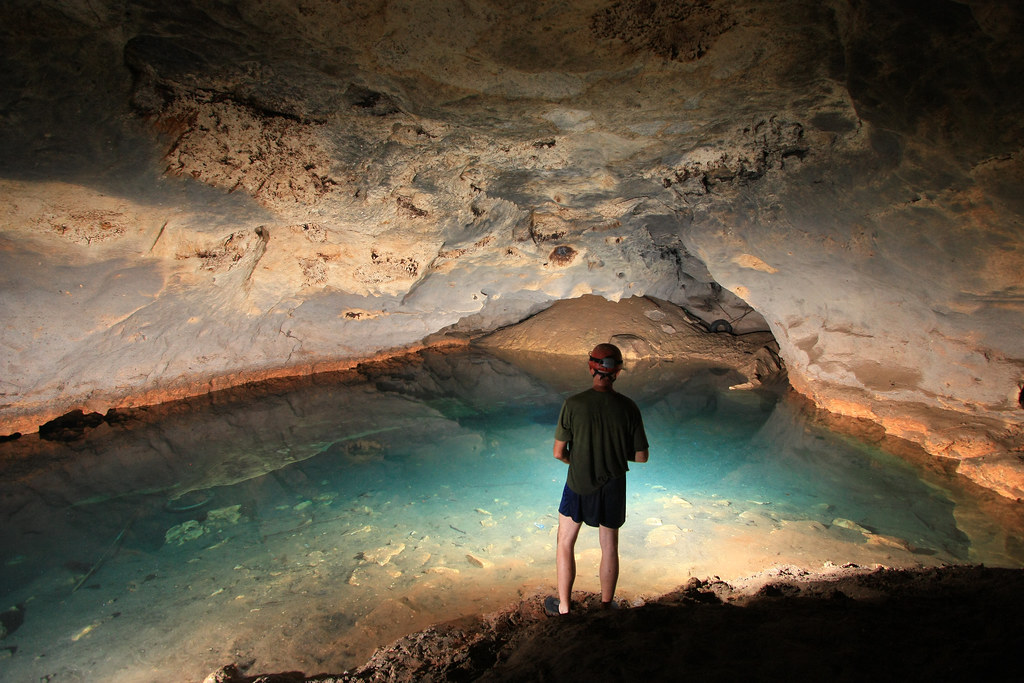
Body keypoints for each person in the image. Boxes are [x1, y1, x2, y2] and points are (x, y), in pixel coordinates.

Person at [545, 343, 649, 616]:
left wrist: (577, 459)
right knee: (609, 545)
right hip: (614, 484)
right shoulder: (628, 407)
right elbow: (641, 457)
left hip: (579, 482)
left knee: (565, 542)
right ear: (618, 372)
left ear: (591, 367)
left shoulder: (573, 404)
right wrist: (613, 452)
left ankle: (565, 607)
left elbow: (558, 453)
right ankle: (606, 605)